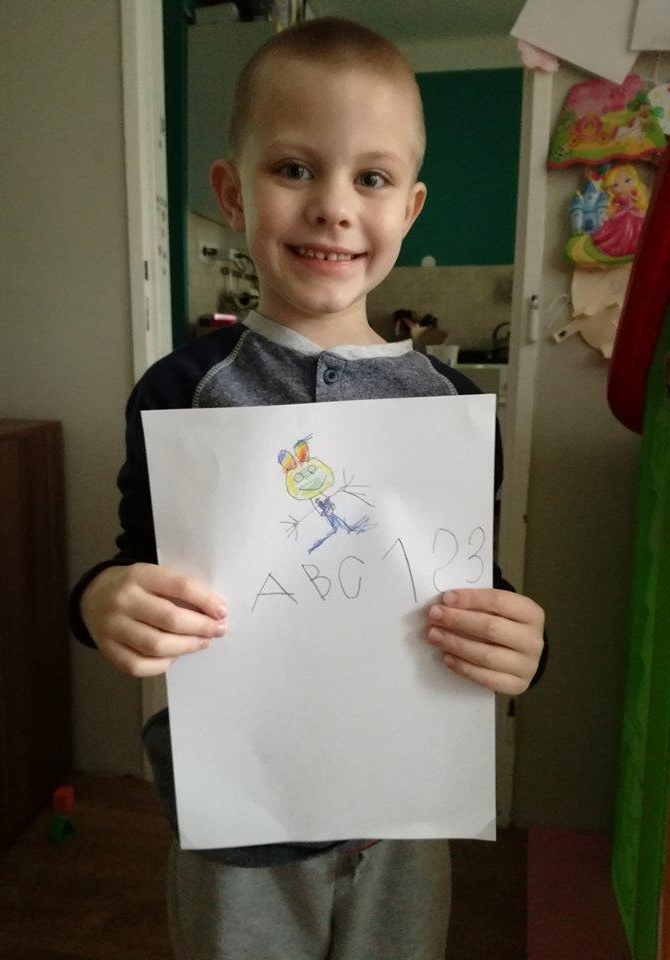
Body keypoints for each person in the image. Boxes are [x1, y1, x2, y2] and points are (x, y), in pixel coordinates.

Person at [69, 16, 548, 960]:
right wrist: (99, 600)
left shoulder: (451, 407)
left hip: (402, 819)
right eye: (295, 168)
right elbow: (137, 566)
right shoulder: (182, 391)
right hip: (238, 822)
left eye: (371, 178)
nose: (333, 207)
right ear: (232, 192)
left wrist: (523, 642)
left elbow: (469, 590)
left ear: (409, 208)